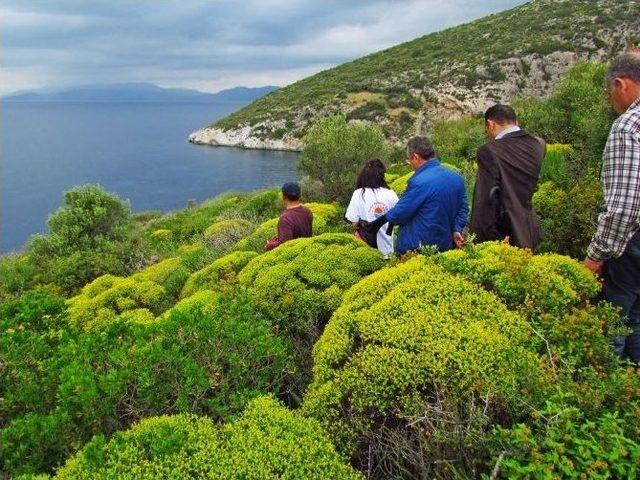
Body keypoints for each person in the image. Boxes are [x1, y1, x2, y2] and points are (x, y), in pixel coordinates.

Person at [583, 50, 640, 364]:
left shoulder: (627, 128)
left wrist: (596, 256)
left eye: (610, 93)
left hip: (631, 247)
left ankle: (608, 392)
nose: (611, 102)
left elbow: (624, 207)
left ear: (622, 85)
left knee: (614, 322)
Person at [361, 136, 468, 254]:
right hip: (446, 246)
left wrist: (376, 224)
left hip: (417, 248)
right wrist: (457, 229)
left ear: (416, 157)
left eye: (409, 160)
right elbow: (463, 209)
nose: (410, 165)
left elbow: (400, 213)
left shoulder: (419, 181)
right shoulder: (456, 178)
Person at [470, 104, 545, 250]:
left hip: (503, 235)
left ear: (490, 124)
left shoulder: (488, 151)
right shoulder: (539, 145)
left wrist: (476, 242)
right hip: (529, 229)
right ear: (515, 122)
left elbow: (485, 202)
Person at [345, 158, 399, 257]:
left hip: (365, 248)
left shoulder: (359, 193)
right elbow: (398, 217)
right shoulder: (390, 193)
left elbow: (354, 222)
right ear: (382, 175)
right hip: (387, 248)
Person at [265, 182, 313, 250]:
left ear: (283, 197)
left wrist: (269, 245)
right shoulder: (307, 211)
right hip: (307, 250)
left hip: (295, 257)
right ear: (300, 195)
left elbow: (285, 247)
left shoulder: (285, 218)